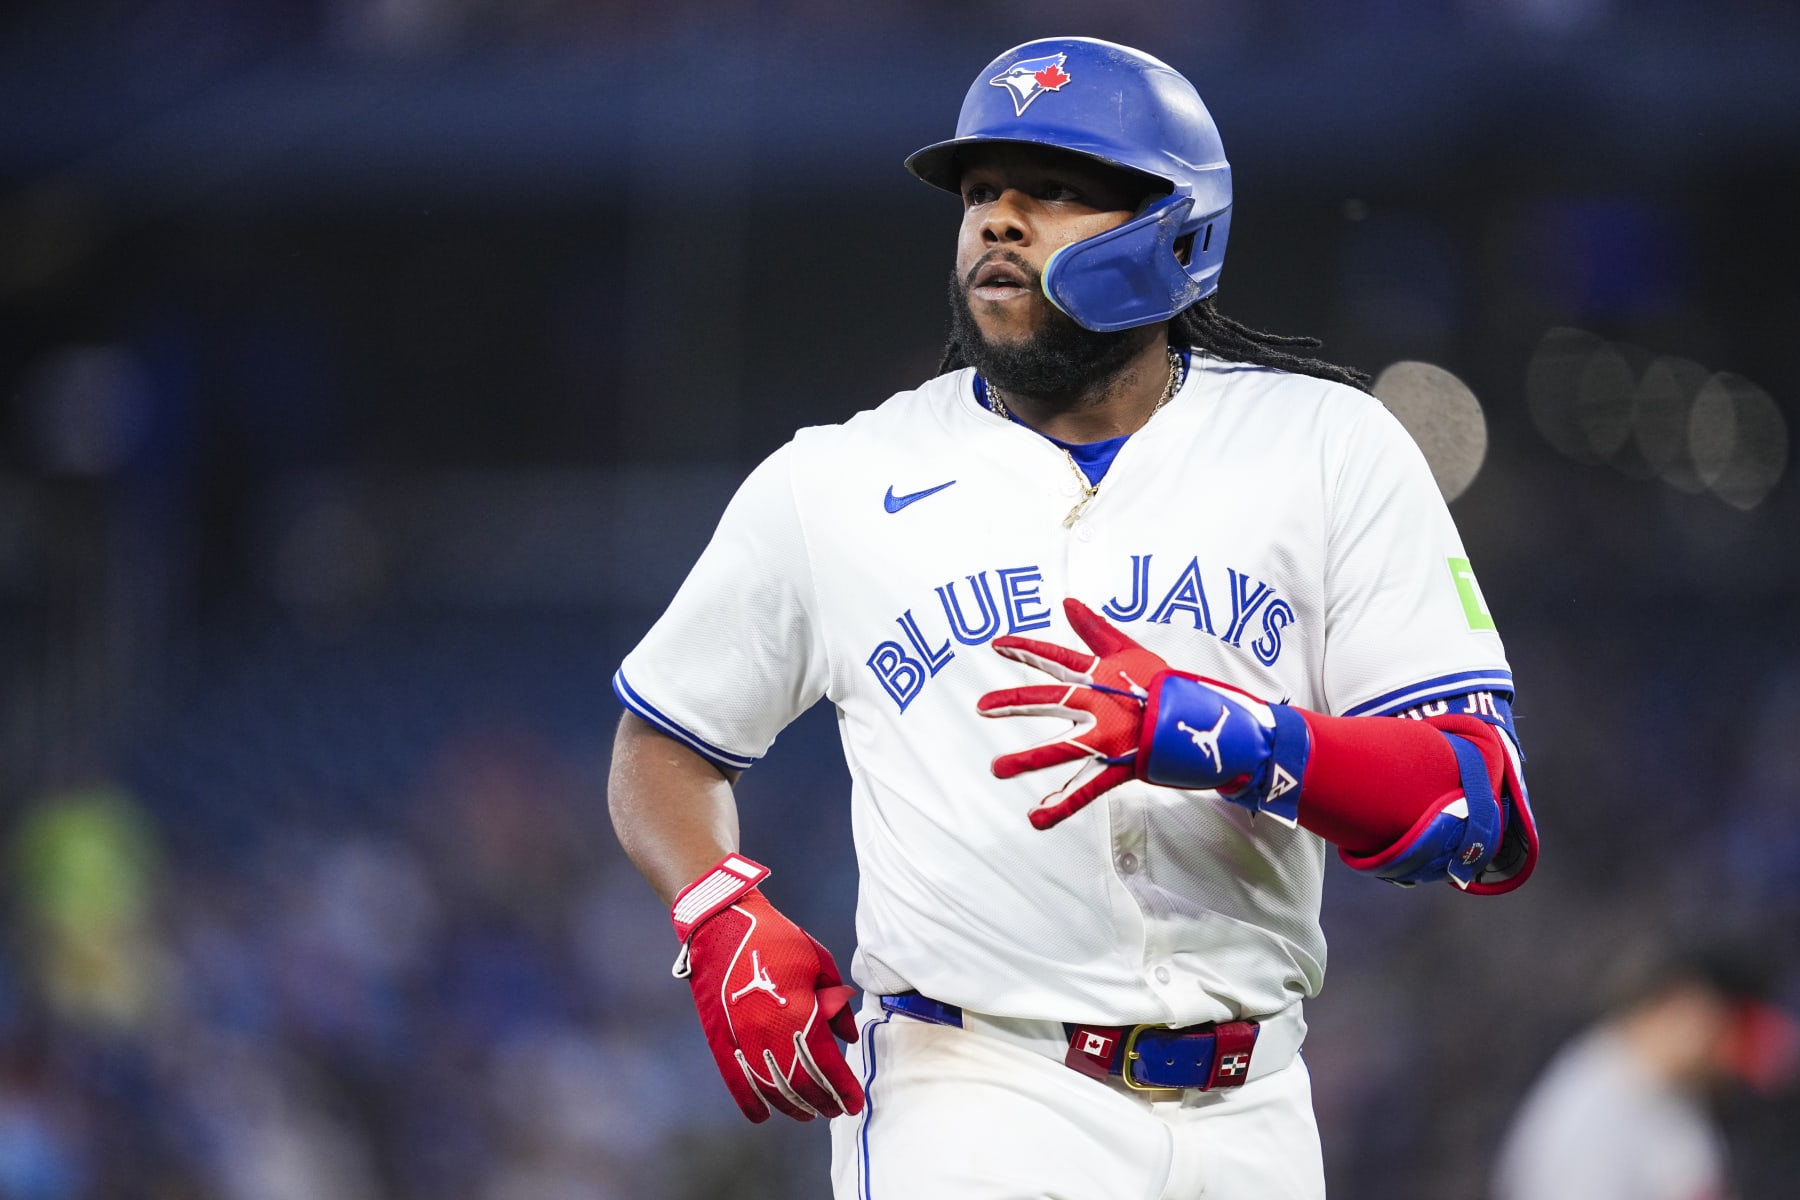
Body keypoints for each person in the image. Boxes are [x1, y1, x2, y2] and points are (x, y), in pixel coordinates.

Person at [607, 36, 1539, 1199]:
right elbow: (664, 743)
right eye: (980, 192)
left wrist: (1244, 741)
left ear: (1178, 226)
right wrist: (715, 913)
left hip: (1254, 1108)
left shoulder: (1328, 447)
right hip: (968, 1090)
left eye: (1052, 187)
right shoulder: (836, 480)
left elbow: (1477, 805)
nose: (999, 219)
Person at [1490, 943, 1798, 1200]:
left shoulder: (1668, 1097)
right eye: (1725, 1025)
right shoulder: (1595, 1105)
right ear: (1682, 1002)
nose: (1725, 1057)